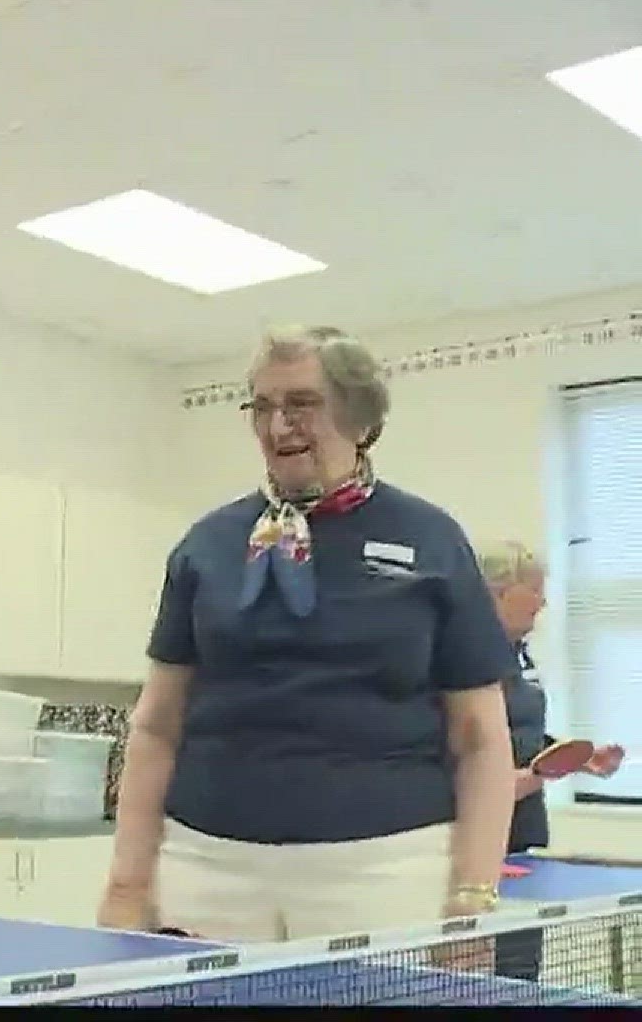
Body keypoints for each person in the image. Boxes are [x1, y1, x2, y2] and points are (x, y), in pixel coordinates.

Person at [98, 324, 519, 943]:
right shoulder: (206, 545)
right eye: (262, 407)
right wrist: (127, 887)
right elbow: (157, 724)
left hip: (383, 873)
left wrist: (474, 893)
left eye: (301, 403)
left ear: (359, 415)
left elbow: (481, 737)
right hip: (208, 870)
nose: (277, 427)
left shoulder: (432, 540)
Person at [478, 540, 623, 980]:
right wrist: (515, 782)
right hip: (481, 844)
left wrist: (578, 759)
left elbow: (522, 734)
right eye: (535, 589)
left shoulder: (519, 654)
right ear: (497, 591)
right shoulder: (465, 660)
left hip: (521, 834)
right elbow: (457, 750)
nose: (543, 601)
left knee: (522, 968)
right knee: (484, 978)